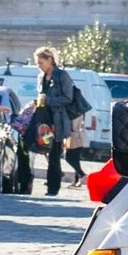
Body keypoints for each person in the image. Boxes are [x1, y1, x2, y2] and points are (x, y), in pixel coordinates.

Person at [27, 47, 87, 196]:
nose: (38, 66)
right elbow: (41, 95)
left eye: (40, 62)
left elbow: (68, 98)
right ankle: (53, 181)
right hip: (43, 120)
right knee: (45, 151)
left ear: (49, 60)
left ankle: (53, 188)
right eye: (37, 63)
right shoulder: (41, 77)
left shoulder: (62, 76)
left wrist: (49, 99)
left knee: (54, 154)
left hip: (58, 121)